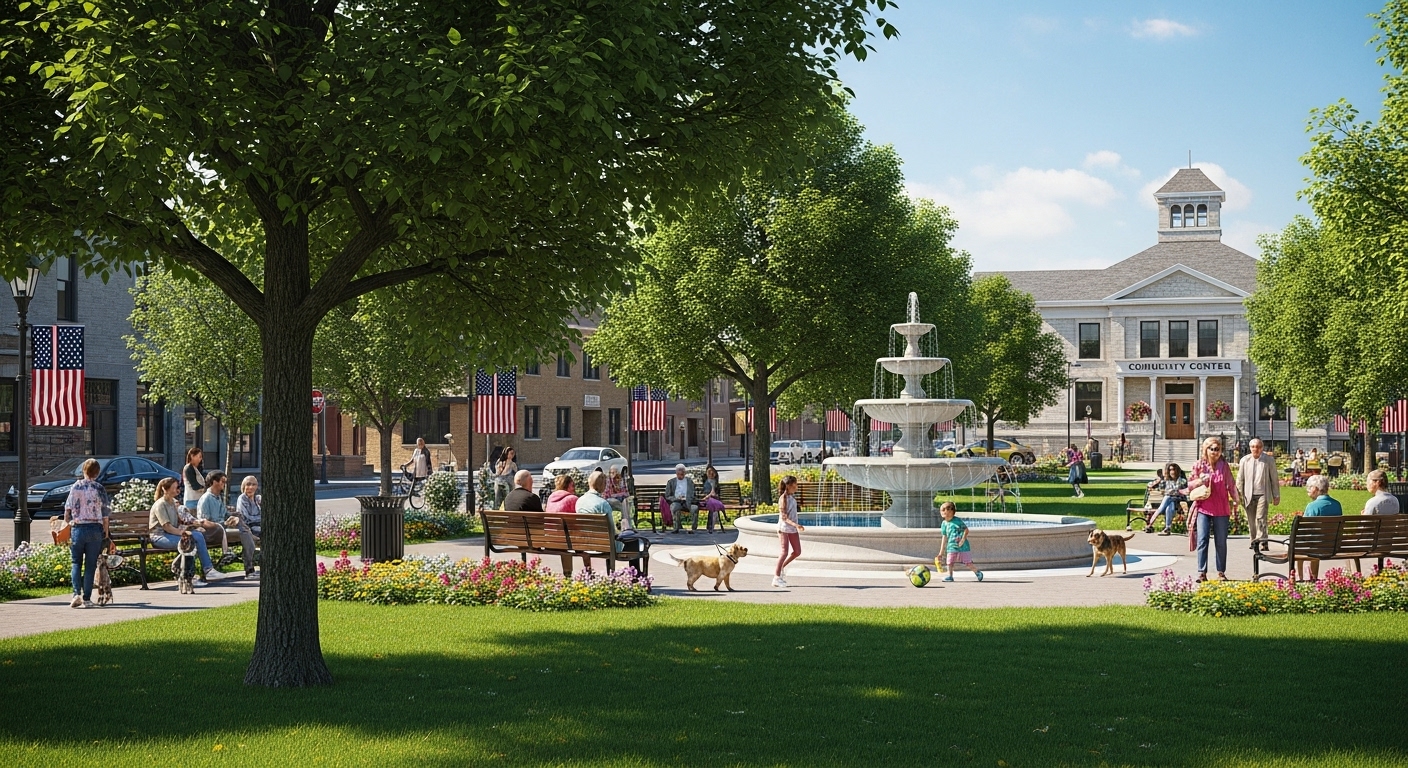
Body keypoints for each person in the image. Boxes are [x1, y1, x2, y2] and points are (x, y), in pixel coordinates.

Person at [149, 477, 225, 585]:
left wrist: (193, 527)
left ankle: (208, 570)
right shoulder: (160, 504)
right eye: (175, 488)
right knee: (189, 542)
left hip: (171, 535)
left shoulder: (173, 503)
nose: (178, 490)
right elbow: (167, 527)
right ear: (166, 489)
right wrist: (183, 533)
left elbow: (179, 522)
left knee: (197, 535)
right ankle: (188, 576)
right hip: (159, 537)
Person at [1187, 437, 1239, 582]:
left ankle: (1221, 572)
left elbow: (1231, 484)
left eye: (1217, 449)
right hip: (1203, 507)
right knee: (1203, 539)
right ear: (1206, 449)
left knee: (1221, 541)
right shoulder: (1198, 465)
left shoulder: (1224, 466)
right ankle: (1202, 572)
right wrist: (1199, 481)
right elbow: (1189, 485)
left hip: (1221, 508)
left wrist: (1237, 500)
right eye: (1212, 449)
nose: (1215, 452)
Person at [63, 459, 111, 608]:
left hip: (78, 528)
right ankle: (87, 598)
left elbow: (67, 511)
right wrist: (106, 533)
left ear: (84, 470)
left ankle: (76, 593)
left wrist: (69, 524)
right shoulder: (99, 488)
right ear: (97, 472)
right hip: (95, 528)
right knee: (90, 565)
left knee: (76, 562)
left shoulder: (75, 487)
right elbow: (105, 514)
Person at [194, 471, 258, 579]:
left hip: (222, 529)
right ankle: (249, 569)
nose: (225, 484)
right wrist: (225, 523)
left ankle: (250, 567)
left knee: (241, 524)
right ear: (214, 482)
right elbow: (205, 522)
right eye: (223, 481)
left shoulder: (218, 497)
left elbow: (224, 514)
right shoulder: (206, 499)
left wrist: (233, 515)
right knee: (245, 533)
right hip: (212, 532)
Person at [1237, 437, 1281, 551]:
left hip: (1262, 493)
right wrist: (1238, 495)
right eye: (1253, 447)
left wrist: (1276, 495)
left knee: (1261, 518)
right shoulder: (1244, 460)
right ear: (1250, 448)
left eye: (1258, 447)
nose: (1255, 449)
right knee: (1251, 520)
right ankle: (1253, 540)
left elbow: (1274, 479)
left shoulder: (1268, 460)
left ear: (1262, 448)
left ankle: (1262, 542)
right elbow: (1240, 479)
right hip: (1248, 494)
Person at [574, 470, 620, 573]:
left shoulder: (579, 501)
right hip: (604, 544)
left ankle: (589, 574)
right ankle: (636, 578)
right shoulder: (603, 504)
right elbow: (611, 529)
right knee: (634, 543)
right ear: (602, 485)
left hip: (584, 543)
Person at [1300, 473, 1343, 580]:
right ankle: (1313, 577)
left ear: (1316, 489)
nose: (1307, 490)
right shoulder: (1337, 504)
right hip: (1332, 545)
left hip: (1315, 546)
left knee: (1297, 545)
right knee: (1316, 543)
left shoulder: (1312, 506)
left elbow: (1304, 529)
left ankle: (1300, 578)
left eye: (1309, 487)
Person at [937, 501, 983, 582]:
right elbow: (944, 537)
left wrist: (962, 540)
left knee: (967, 562)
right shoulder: (944, 524)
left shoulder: (957, 521)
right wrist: (941, 552)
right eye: (941, 510)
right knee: (949, 562)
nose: (943, 512)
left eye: (945, 510)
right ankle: (950, 576)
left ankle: (977, 572)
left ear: (951, 511)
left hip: (963, 546)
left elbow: (966, 530)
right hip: (951, 546)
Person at [773, 475, 803, 588]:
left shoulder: (791, 497)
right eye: (795, 484)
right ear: (789, 486)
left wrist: (795, 526)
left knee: (797, 551)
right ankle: (776, 577)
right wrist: (796, 525)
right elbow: (784, 517)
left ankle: (781, 568)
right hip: (784, 528)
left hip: (792, 529)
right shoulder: (783, 498)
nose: (797, 486)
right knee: (784, 552)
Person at [1152, 463, 1187, 535]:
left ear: (1177, 470)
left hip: (1179, 500)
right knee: (1169, 506)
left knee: (1167, 498)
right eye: (1170, 470)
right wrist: (1160, 479)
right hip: (1170, 500)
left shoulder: (1182, 480)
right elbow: (1159, 488)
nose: (1172, 471)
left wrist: (1172, 492)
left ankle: (1150, 523)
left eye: (1174, 469)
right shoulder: (1167, 480)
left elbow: (1181, 491)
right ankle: (1167, 528)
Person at [664, 463, 699, 534]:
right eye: (679, 473)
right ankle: (676, 528)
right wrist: (676, 498)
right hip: (676, 501)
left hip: (688, 501)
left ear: (685, 473)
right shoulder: (671, 482)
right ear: (676, 473)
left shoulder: (689, 481)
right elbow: (667, 496)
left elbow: (693, 493)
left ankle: (693, 529)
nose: (681, 475)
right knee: (674, 507)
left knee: (695, 508)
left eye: (682, 473)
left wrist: (687, 498)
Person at [699, 465, 726, 533]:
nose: (711, 473)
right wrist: (708, 496)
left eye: (712, 472)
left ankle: (710, 526)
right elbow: (706, 493)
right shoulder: (706, 482)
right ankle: (711, 526)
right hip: (706, 500)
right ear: (707, 473)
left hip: (713, 499)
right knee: (714, 506)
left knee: (714, 506)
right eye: (709, 472)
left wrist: (710, 495)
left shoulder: (715, 482)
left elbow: (715, 493)